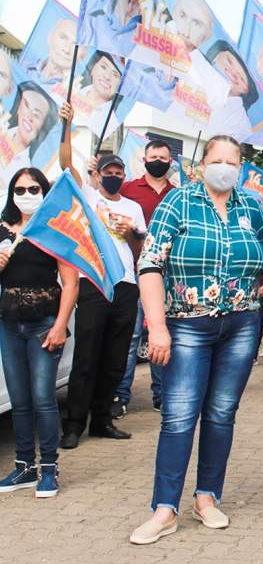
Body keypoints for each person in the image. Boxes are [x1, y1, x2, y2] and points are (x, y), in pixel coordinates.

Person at [128, 134, 263, 545]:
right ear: (201, 164)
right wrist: (157, 326)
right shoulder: (179, 202)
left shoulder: (252, 207)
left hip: (241, 325)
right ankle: (164, 509)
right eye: (218, 159)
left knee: (222, 413)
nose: (225, 166)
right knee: (178, 417)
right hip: (186, 325)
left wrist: (253, 288)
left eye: (233, 160)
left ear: (241, 166)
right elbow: (151, 263)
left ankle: (207, 497)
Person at [58, 111, 145, 449]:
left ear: (124, 176)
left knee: (115, 358)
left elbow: (141, 251)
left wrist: (130, 234)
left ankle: (102, 420)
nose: (113, 176)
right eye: (107, 172)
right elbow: (67, 165)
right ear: (98, 175)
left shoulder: (134, 208)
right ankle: (73, 424)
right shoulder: (88, 198)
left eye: (118, 172)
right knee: (87, 356)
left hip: (126, 286)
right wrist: (67, 125)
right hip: (94, 282)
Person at [0, 168, 79, 498]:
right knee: (19, 402)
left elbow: (71, 283)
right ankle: (24, 467)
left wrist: (61, 325)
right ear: (11, 193)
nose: (27, 194)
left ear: (44, 192)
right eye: (20, 188)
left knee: (44, 400)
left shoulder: (53, 230)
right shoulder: (2, 229)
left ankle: (49, 468)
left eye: (34, 188)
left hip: (44, 324)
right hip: (9, 324)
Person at [111, 140, 177, 419]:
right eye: (153, 156)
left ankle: (162, 395)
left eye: (163, 157)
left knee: (161, 335)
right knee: (131, 336)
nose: (158, 161)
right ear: (144, 158)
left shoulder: (179, 195)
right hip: (134, 275)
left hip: (169, 277)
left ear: (170, 161)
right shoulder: (127, 190)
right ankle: (120, 395)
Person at [0, 82, 60, 190]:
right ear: (18, 108)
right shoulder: (2, 130)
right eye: (27, 106)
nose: (29, 116)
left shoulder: (25, 172)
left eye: (37, 115)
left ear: (42, 128)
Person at [206, 40, 260, 140]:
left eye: (242, 79)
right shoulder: (201, 95)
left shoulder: (240, 122)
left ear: (245, 89)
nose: (232, 72)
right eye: (229, 61)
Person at [72, 51, 123, 134]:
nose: (107, 77)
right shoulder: (69, 92)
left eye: (115, 75)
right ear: (92, 68)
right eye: (103, 67)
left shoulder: (110, 123)